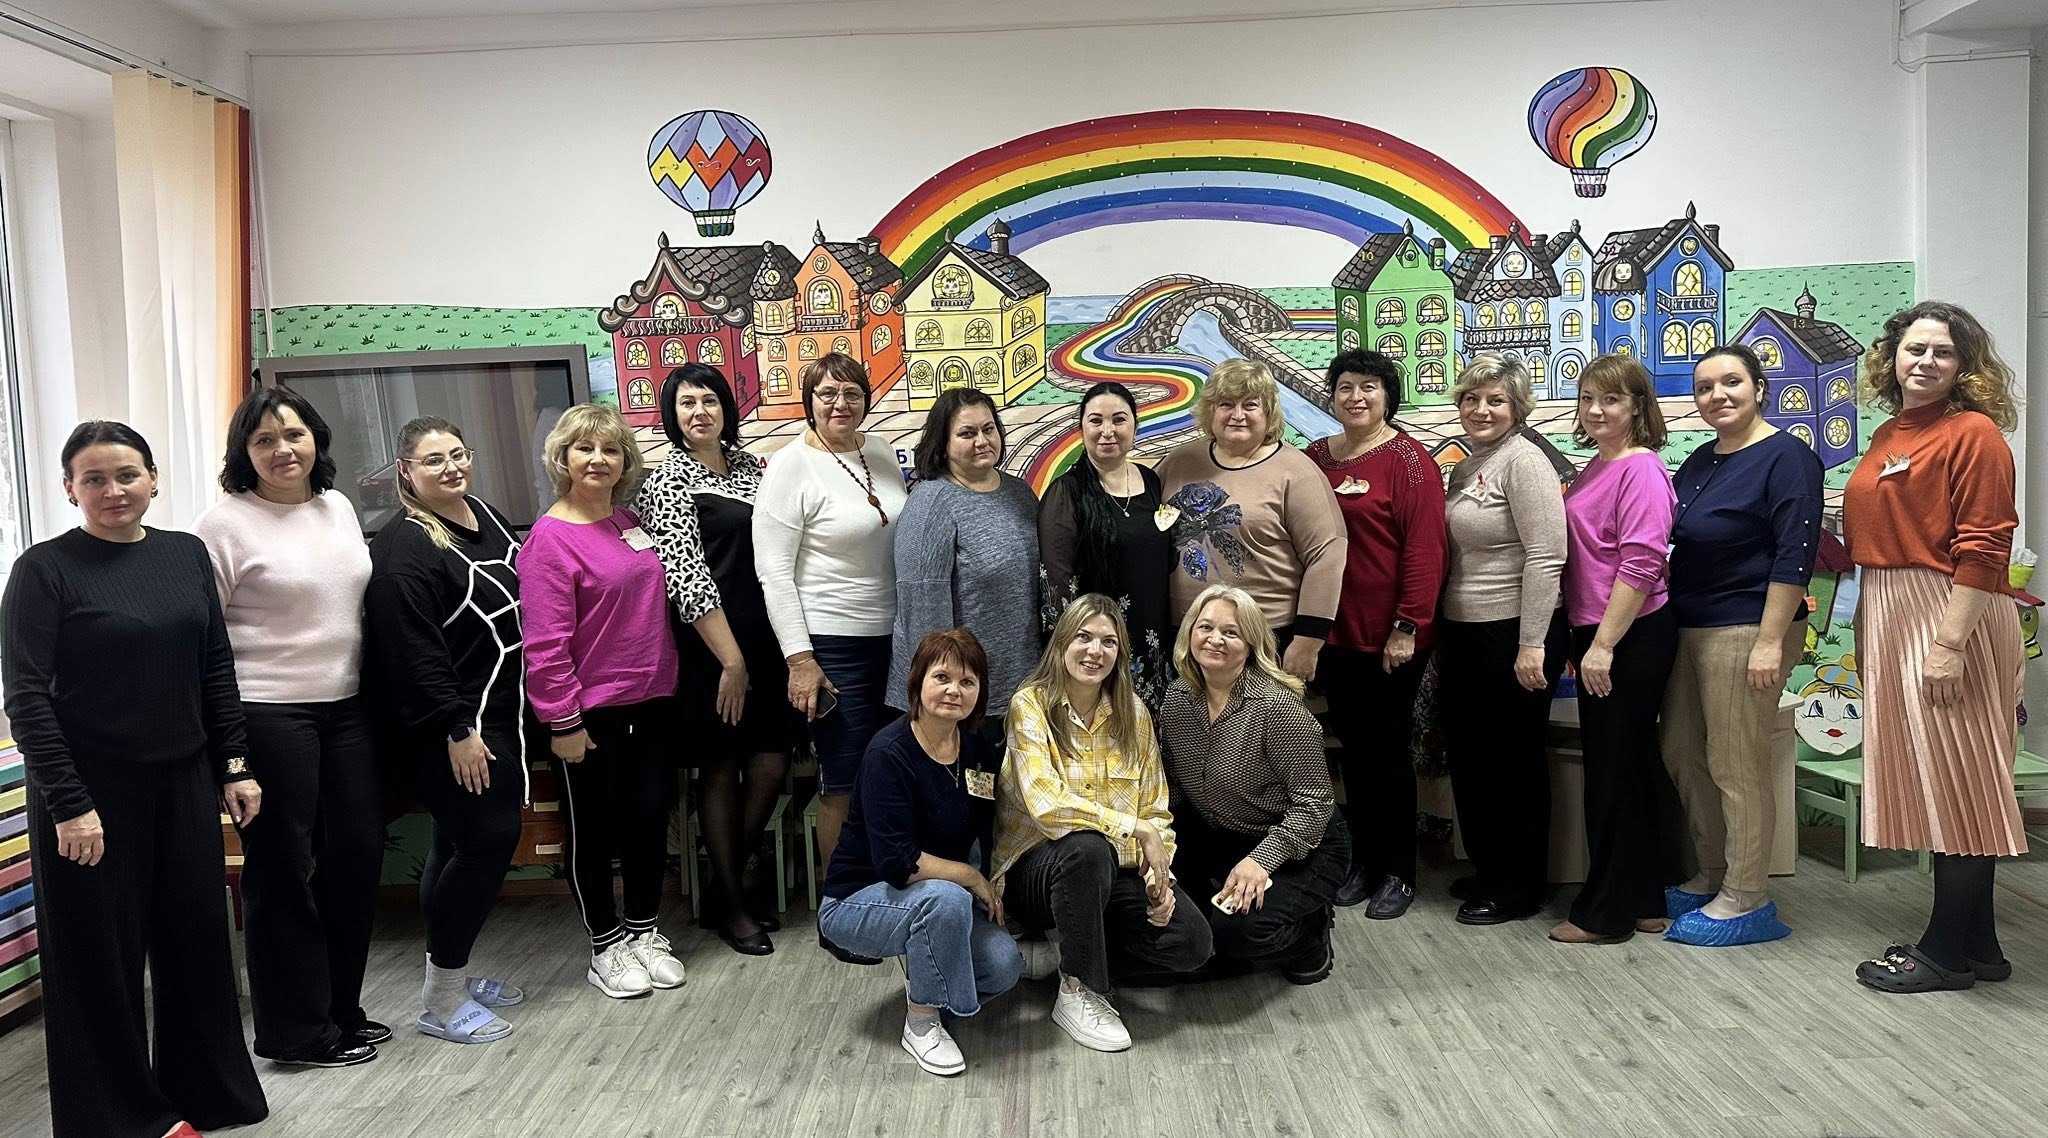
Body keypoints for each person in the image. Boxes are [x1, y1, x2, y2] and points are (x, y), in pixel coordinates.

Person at [0, 422, 268, 1137]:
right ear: (70, 490)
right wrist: (69, 803)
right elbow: (26, 696)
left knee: (195, 945)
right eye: (94, 478)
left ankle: (207, 1094)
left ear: (153, 478)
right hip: (88, 793)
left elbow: (214, 665)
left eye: (126, 474)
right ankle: (117, 1121)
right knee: (99, 962)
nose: (113, 490)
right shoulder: (44, 570)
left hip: (182, 781)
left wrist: (234, 764)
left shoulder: (184, 554)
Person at [198, 385, 384, 1067]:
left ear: (316, 440)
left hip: (346, 708)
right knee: (282, 872)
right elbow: (206, 642)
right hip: (268, 713)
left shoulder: (337, 507)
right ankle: (293, 1032)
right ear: (243, 452)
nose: (283, 449)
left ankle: (340, 1011)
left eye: (294, 434)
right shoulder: (223, 525)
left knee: (355, 859)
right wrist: (230, 752)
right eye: (265, 440)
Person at [1843, 302, 2026, 993]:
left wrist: (1950, 643)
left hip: (1948, 613)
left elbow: (1985, 546)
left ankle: (1943, 952)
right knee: (1948, 777)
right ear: (1891, 358)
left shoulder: (1972, 432)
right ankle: (1980, 944)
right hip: (1894, 610)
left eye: (1942, 352)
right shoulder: (1890, 431)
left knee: (1963, 782)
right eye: (1913, 349)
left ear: (1964, 367)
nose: (1924, 361)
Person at [362, 416, 529, 1043]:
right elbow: (412, 652)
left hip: (500, 712)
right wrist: (456, 729)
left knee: (455, 843)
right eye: (433, 461)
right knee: (486, 842)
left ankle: (448, 975)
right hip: (454, 728)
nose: (451, 467)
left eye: (458, 454)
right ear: (405, 472)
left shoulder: (481, 513)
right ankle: (442, 1000)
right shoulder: (403, 547)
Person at [994, 595, 1212, 1053]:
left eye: (1108, 642)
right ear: (1060, 644)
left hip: (1109, 874)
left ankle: (1068, 949)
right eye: (1083, 637)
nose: (1095, 651)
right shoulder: (1029, 704)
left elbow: (1156, 810)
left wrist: (1159, 881)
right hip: (1035, 872)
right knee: (1087, 847)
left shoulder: (1134, 712)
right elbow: (1048, 806)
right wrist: (1136, 829)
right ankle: (1079, 988)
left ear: (1120, 654)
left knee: (1191, 943)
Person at [522, 403, 687, 1000]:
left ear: (625, 461)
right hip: (589, 713)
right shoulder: (549, 539)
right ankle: (606, 944)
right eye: (584, 449)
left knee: (649, 817)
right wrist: (563, 721)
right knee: (593, 830)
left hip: (653, 701)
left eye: (610, 450)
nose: (598, 460)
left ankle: (643, 931)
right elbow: (545, 644)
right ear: (561, 459)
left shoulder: (627, 522)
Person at [1660, 346, 1823, 947]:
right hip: (1689, 624)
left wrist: (1770, 641)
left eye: (1731, 382)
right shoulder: (1701, 460)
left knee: (1736, 762)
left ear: (1758, 388)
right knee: (1683, 750)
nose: (1718, 395)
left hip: (1749, 625)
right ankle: (1713, 872)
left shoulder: (1788, 458)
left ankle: (1747, 893)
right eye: (1705, 387)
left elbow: (1795, 554)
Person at [633, 365, 798, 955]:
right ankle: (732, 902)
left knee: (772, 760)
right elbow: (686, 576)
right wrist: (731, 662)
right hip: (712, 650)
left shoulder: (755, 470)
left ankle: (727, 884)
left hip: (769, 643)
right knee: (721, 767)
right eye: (686, 403)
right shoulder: (665, 481)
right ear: (671, 416)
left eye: (709, 400)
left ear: (728, 407)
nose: (699, 412)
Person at [817, 630, 1024, 1077]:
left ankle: (926, 963)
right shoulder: (887, 753)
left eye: (967, 682)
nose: (954, 690)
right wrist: (971, 878)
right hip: (859, 897)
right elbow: (897, 862)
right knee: (945, 899)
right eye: (942, 677)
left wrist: (993, 885)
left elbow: (984, 828)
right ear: (917, 682)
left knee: (1004, 967)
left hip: (932, 895)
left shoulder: (975, 749)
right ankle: (921, 1022)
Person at [754, 353, 910, 898]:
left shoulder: (880, 451)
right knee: (843, 779)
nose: (840, 404)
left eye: (851, 393)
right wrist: (800, 660)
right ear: (810, 403)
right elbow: (774, 573)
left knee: (891, 771)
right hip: (832, 644)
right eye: (827, 394)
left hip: (895, 640)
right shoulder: (789, 466)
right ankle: (841, 903)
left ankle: (889, 891)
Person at [1305, 349, 1447, 920]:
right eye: (1345, 386)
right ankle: (1362, 863)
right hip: (1334, 635)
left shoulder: (1409, 461)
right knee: (1354, 755)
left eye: (1369, 386)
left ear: (1388, 395)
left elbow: (1426, 550)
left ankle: (1398, 872)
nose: (1356, 396)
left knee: (1388, 755)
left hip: (1391, 639)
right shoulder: (1317, 458)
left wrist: (1408, 625)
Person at [1159, 585, 1348, 984]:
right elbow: (1175, 786)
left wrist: (1262, 860)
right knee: (1181, 923)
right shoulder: (1176, 701)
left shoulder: (1277, 709)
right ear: (1189, 632)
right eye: (1205, 627)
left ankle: (1312, 932)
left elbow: (1315, 805)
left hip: (1300, 844)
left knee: (1239, 935)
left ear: (1251, 644)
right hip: (1220, 835)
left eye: (1231, 632)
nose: (1215, 639)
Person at [1437, 356, 1569, 927]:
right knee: (1473, 757)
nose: (1481, 410)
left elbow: (1547, 555)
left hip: (1514, 630)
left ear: (1517, 407)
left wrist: (1532, 642)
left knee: (1511, 760)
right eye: (1471, 399)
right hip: (1465, 629)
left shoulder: (1525, 461)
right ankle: (1491, 867)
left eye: (1495, 400)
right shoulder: (1469, 466)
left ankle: (1518, 887)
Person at [1552, 354, 1677, 945]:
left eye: (1611, 399)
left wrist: (1602, 645)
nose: (1596, 410)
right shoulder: (1597, 465)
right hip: (1600, 631)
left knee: (1611, 774)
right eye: (1587, 399)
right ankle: (1645, 900)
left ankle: (1605, 914)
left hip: (1626, 634)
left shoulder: (1641, 467)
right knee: (1629, 768)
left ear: (1637, 406)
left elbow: (1643, 562)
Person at [1155, 358, 1346, 685]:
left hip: (1265, 638)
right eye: (1226, 404)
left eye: (1250, 405)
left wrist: (1308, 640)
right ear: (1210, 411)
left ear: (1268, 413)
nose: (1237, 415)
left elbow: (1327, 554)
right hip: (1187, 636)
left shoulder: (1296, 471)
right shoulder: (1179, 461)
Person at [890, 388, 1040, 739]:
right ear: (943, 443)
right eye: (967, 433)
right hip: (959, 700)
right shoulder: (930, 503)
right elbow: (923, 617)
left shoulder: (1020, 493)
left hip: (1024, 688)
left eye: (989, 429)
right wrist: (943, 695)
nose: (982, 441)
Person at [1038, 382, 1177, 707]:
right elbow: (1057, 591)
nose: (1107, 431)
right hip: (1097, 653)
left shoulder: (1151, 481)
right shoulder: (1066, 493)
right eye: (1096, 421)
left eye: (1119, 420)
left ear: (1134, 426)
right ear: (1081, 428)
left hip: (1154, 641)